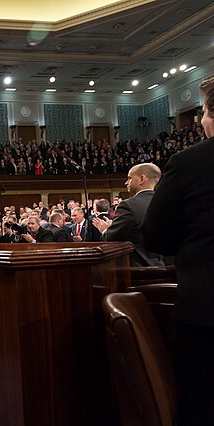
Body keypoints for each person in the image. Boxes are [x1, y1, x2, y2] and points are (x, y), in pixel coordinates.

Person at [142, 75, 214, 425]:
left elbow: (154, 234)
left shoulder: (188, 162)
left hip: (206, 311)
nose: (200, 120)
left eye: (202, 112)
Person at [92, 163, 163, 266]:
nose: (126, 182)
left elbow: (112, 238)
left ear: (141, 179)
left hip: (137, 270)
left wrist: (105, 230)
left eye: (129, 178)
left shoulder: (128, 206)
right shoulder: (167, 202)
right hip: (165, 268)